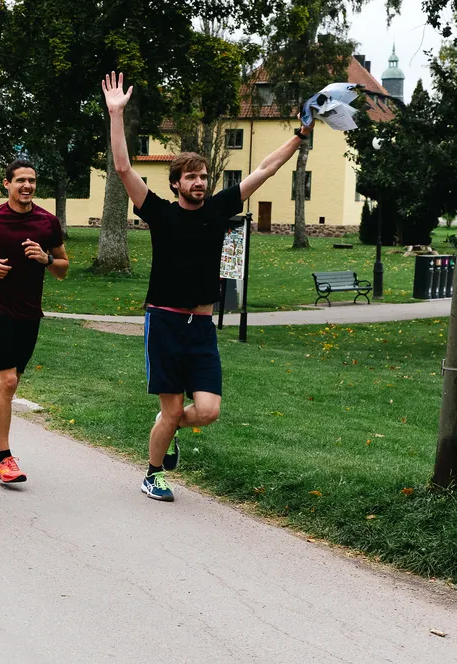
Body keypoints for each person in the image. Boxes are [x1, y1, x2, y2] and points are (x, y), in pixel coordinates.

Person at [102, 71, 314, 502]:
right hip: (163, 322)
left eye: (203, 176)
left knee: (208, 411)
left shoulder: (218, 209)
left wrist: (299, 137)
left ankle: (168, 429)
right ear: (176, 182)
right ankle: (154, 472)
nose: (199, 182)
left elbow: (265, 169)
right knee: (172, 408)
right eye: (191, 177)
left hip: (200, 328)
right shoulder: (159, 212)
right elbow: (123, 167)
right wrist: (116, 114)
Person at [0, 158, 69, 484]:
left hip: (30, 312)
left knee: (10, 386)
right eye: (21, 180)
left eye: (32, 181)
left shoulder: (47, 222)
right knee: (8, 381)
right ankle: (5, 459)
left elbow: (63, 267)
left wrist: (47, 258)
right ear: (7, 184)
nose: (27, 186)